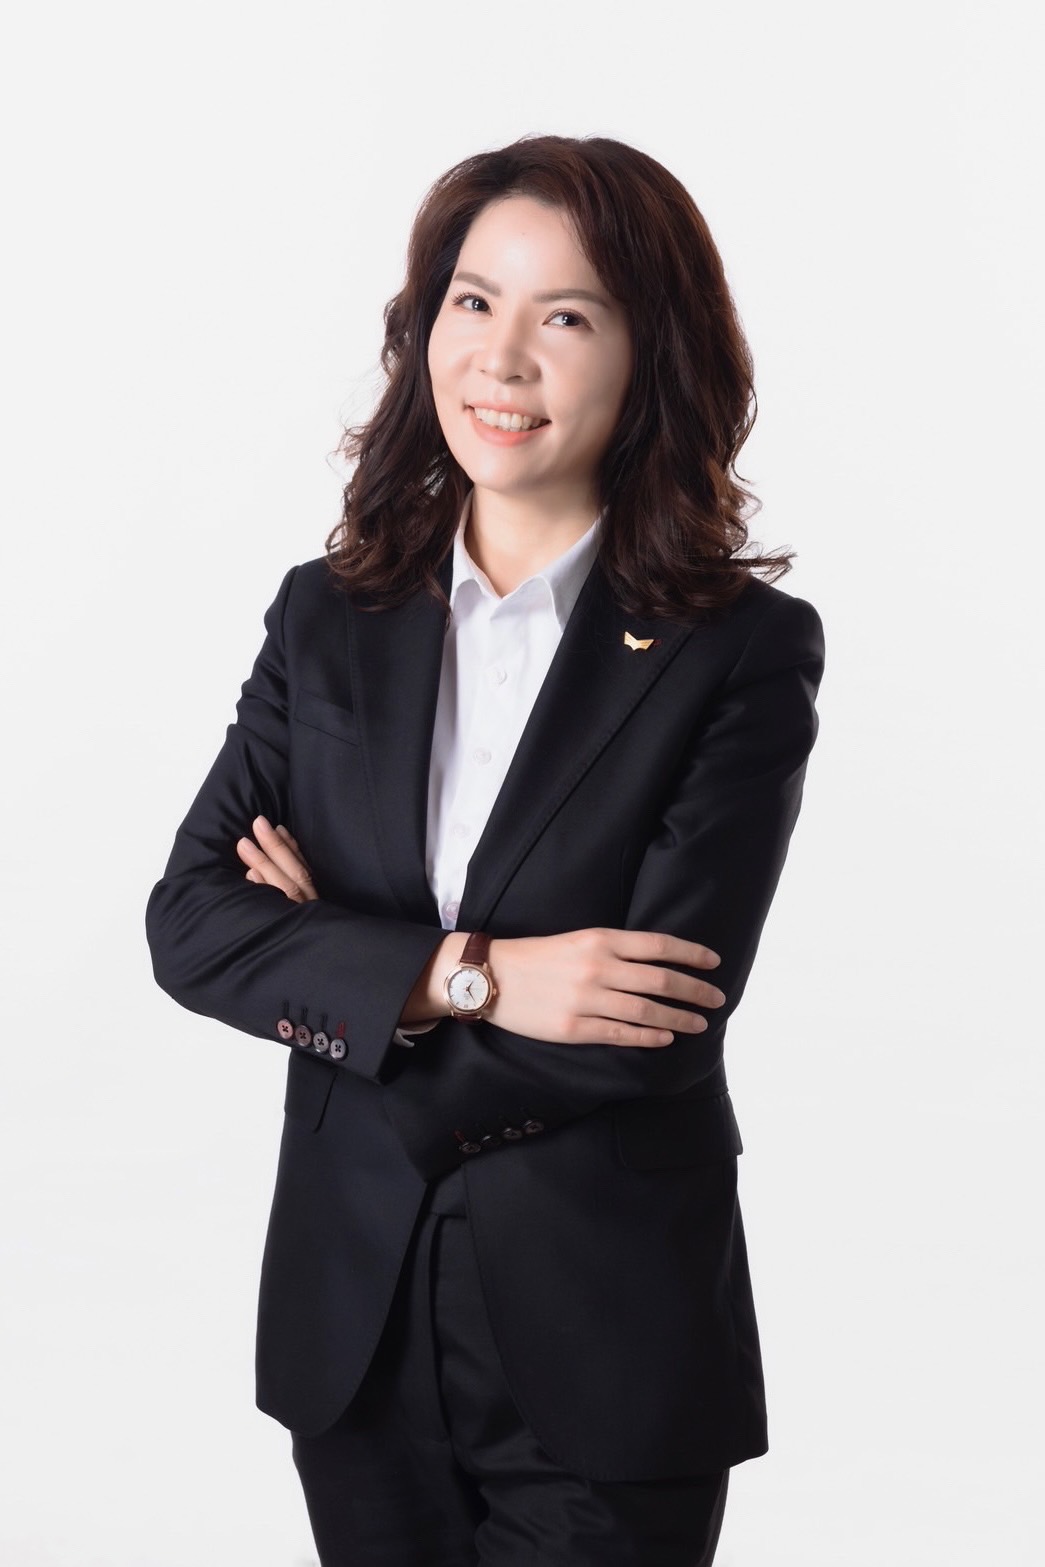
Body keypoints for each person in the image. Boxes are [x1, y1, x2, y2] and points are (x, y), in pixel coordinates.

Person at [146, 133, 826, 1567]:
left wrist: (336, 968)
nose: (501, 360)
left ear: (650, 355)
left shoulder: (737, 652)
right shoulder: (328, 617)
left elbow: (652, 1017)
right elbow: (193, 923)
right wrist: (477, 978)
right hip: (353, 1321)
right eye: (473, 301)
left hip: (608, 1332)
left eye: (565, 316)